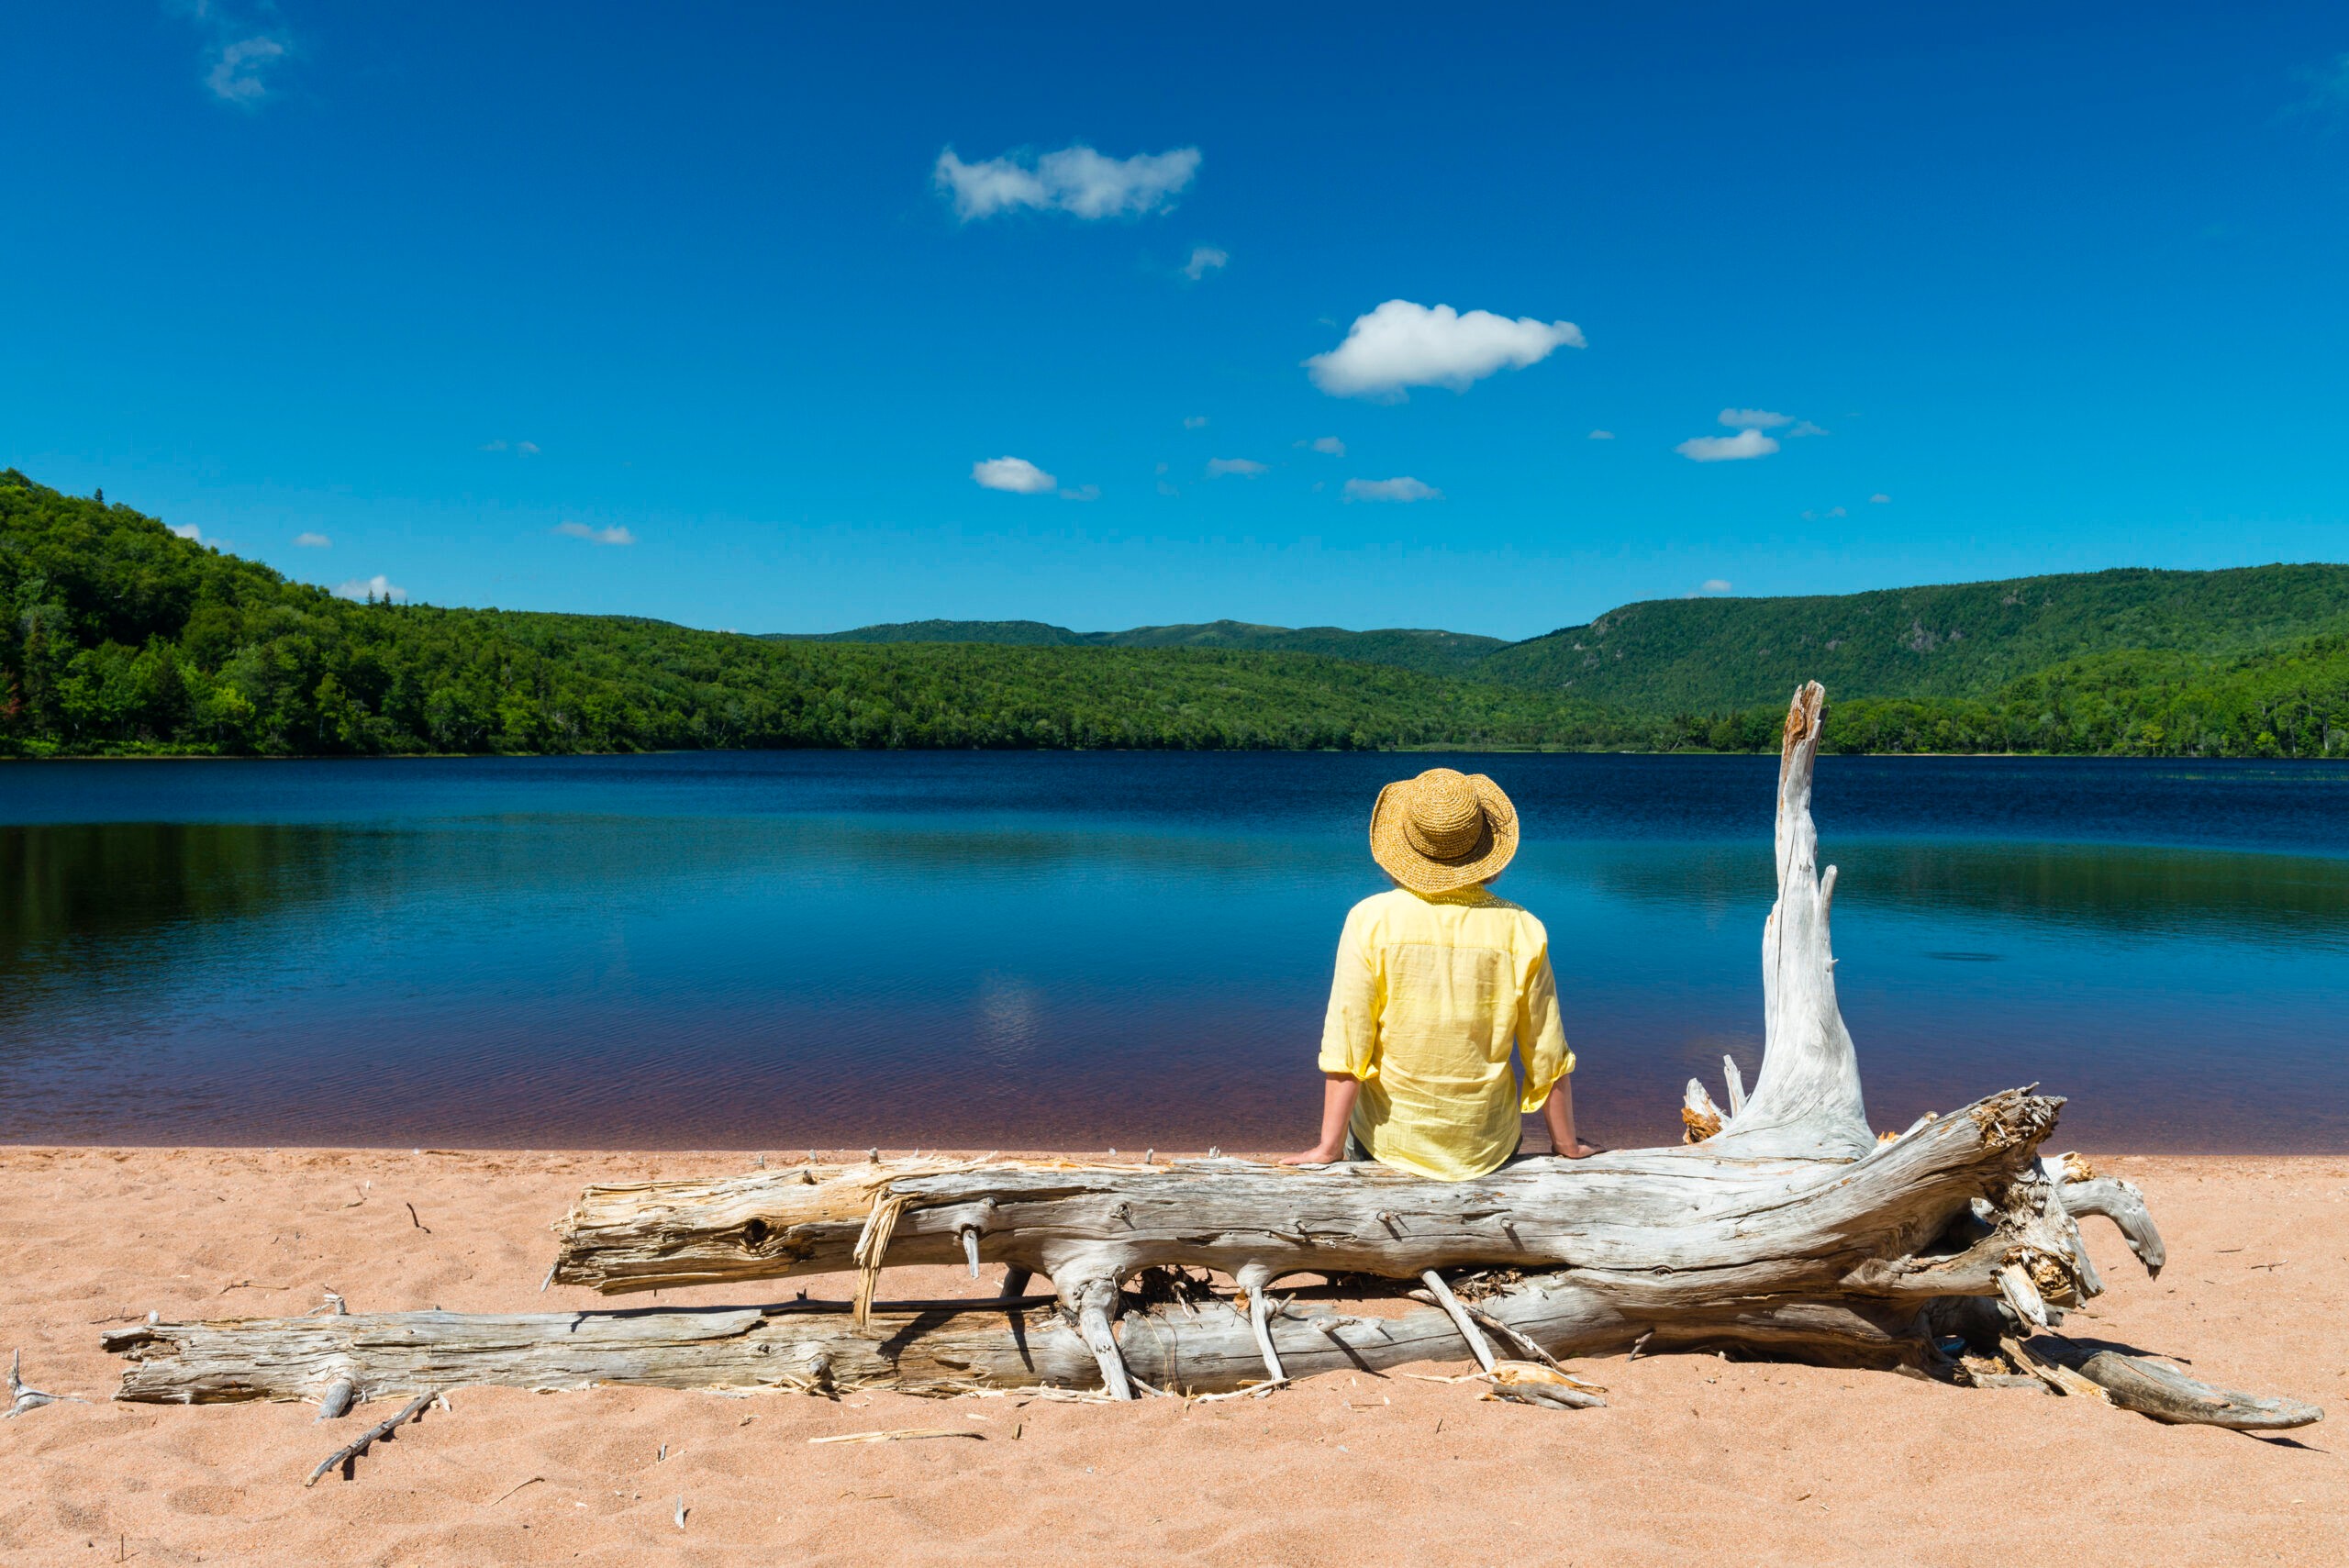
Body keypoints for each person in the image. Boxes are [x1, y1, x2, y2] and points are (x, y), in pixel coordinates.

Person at [1282, 766, 1597, 1177]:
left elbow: (1348, 1040)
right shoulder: (1521, 928)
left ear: (1403, 848)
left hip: (1390, 1141)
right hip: (1486, 1145)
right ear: (1486, 852)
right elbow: (1545, 1051)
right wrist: (1566, 1145)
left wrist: (1329, 1148)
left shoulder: (1371, 921)